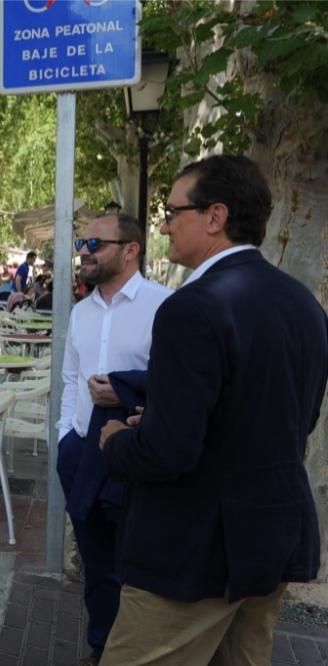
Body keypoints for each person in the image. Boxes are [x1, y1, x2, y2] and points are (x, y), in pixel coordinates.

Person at [99, 155, 328, 664]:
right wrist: (161, 422)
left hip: (194, 556)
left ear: (215, 216)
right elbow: (288, 422)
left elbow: (169, 454)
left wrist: (118, 440)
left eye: (173, 210)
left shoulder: (190, 307)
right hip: (272, 540)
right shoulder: (305, 305)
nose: (164, 224)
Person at [55, 213, 172, 664]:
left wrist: (126, 391)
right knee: (96, 563)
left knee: (135, 565)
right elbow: (69, 380)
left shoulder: (164, 306)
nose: (84, 251)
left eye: (95, 243)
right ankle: (101, 649)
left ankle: (136, 653)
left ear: (130, 249)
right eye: (83, 242)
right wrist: (65, 437)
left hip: (135, 454)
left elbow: (174, 383)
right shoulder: (81, 311)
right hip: (82, 451)